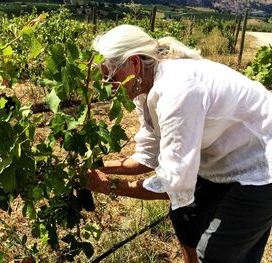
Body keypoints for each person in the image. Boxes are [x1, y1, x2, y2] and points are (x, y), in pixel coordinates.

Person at [85, 24, 272, 263]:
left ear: (134, 63)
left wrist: (109, 186)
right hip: (226, 157)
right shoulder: (148, 88)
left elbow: (175, 183)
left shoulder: (178, 91)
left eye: (110, 76)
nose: (109, 86)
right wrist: (99, 166)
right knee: (186, 216)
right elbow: (148, 155)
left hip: (262, 164)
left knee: (217, 254)